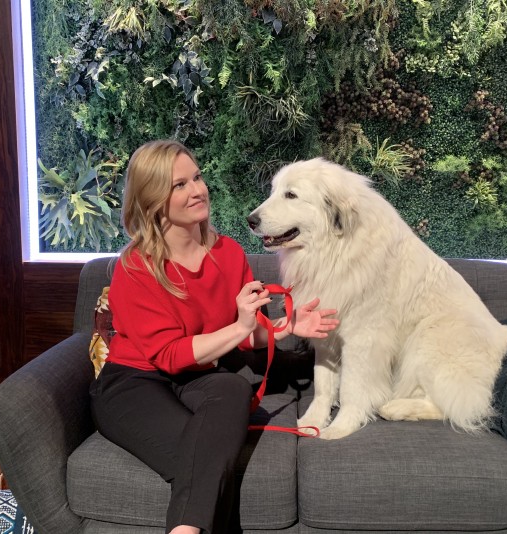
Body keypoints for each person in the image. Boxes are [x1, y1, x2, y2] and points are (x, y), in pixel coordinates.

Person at [89, 140, 339, 534]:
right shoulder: (135, 267)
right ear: (153, 200)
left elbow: (245, 335)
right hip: (134, 382)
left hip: (202, 376)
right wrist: (240, 328)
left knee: (231, 392)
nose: (198, 190)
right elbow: (170, 356)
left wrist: (288, 328)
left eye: (198, 177)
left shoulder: (229, 253)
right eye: (179, 185)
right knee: (206, 466)